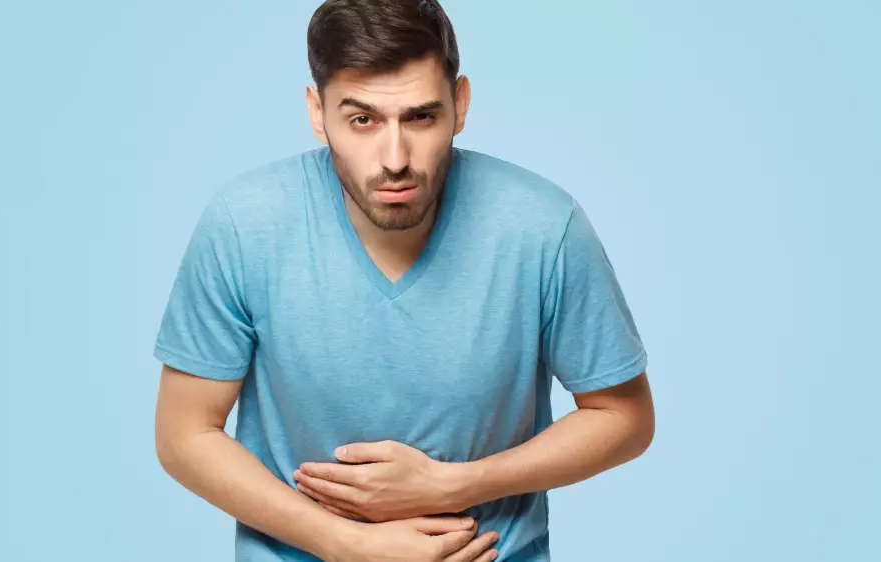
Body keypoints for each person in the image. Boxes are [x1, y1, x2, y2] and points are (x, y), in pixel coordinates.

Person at [152, 0, 655, 560]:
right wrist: (346, 544)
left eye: (420, 117)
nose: (394, 159)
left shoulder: (542, 226)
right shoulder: (245, 224)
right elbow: (184, 436)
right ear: (317, 112)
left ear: (460, 104)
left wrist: (455, 485)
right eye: (362, 120)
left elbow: (624, 416)